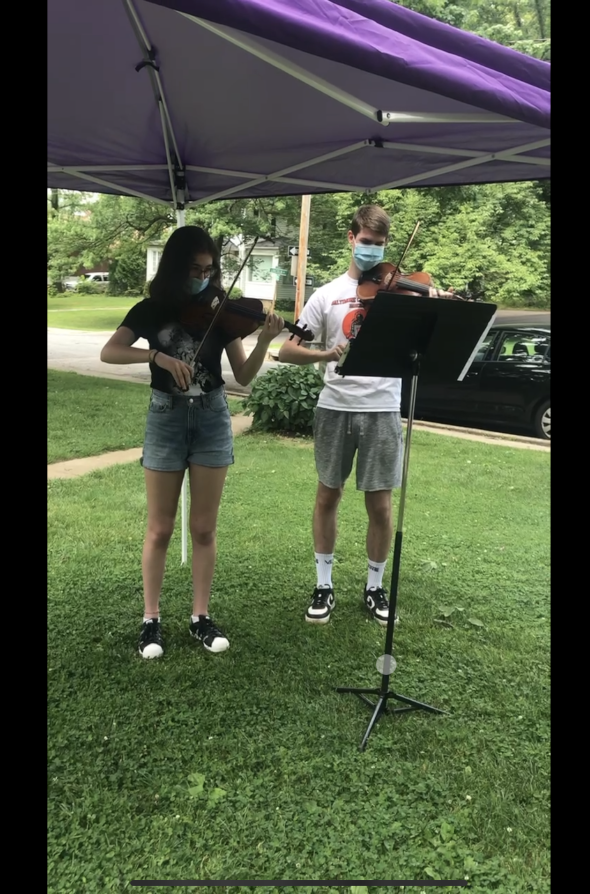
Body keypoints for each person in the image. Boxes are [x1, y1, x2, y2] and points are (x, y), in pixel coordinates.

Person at [100, 225, 286, 659]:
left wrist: (265, 340)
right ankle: (151, 620)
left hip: (211, 419)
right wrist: (155, 355)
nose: (202, 278)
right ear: (175, 268)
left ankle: (200, 616)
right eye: (194, 269)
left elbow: (242, 375)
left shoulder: (220, 312)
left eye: (209, 270)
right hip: (165, 418)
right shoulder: (151, 308)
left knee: (203, 527)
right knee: (160, 527)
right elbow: (110, 351)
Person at [277, 204, 449, 626]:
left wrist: (437, 302)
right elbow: (286, 350)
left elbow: (432, 340)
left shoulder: (400, 295)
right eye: (366, 242)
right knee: (326, 496)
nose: (372, 251)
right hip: (336, 407)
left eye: (379, 244)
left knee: (382, 506)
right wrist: (322, 353)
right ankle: (323, 584)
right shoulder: (327, 294)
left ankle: (374, 588)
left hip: (383, 408)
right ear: (351, 239)